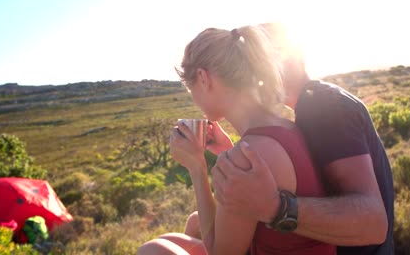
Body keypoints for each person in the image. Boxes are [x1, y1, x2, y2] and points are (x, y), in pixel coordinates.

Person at [137, 26, 335, 255]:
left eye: (190, 89)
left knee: (152, 250)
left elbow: (221, 253)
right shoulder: (286, 126)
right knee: (193, 223)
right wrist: (228, 150)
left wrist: (196, 166)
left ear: (203, 78)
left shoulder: (245, 158)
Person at [209, 23, 394, 255]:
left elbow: (374, 225)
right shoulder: (312, 105)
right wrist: (228, 151)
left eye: (254, 61)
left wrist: (275, 207)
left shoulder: (321, 105)